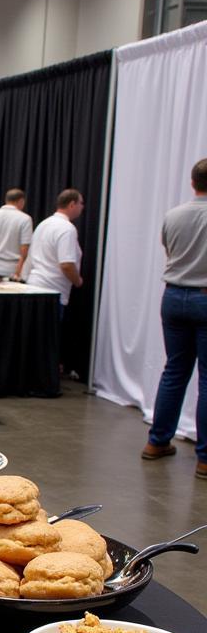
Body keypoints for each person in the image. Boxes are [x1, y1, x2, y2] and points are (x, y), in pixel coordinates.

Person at [142, 158, 207, 479]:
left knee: (175, 370)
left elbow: (169, 250)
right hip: (205, 296)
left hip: (173, 295)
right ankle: (205, 459)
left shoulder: (174, 214)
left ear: (193, 182)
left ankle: (157, 442)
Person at [22, 189, 84, 318]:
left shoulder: (43, 224)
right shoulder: (67, 229)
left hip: (34, 285)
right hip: (52, 291)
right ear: (72, 204)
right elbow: (66, 264)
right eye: (81, 203)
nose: (82, 207)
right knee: (48, 335)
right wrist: (77, 280)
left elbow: (30, 255)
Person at [0, 189, 33, 278]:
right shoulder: (25, 219)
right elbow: (24, 251)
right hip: (13, 268)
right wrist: (18, 272)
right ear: (21, 201)